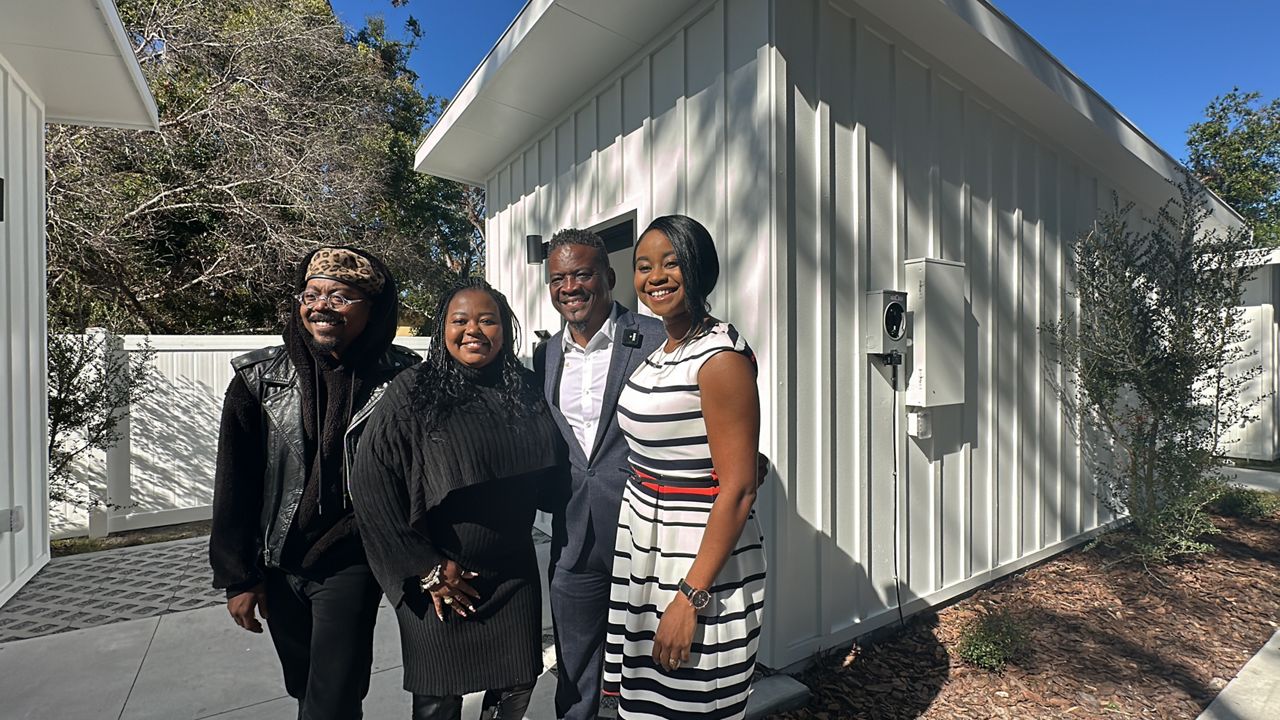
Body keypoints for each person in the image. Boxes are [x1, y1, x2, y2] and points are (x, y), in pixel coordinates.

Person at [209, 246, 420, 720]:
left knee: (334, 697)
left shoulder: (402, 378)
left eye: (341, 296)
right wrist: (237, 576)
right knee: (305, 686)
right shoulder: (258, 379)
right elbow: (235, 483)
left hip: (353, 558)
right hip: (282, 559)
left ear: (373, 308)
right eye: (312, 293)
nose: (321, 305)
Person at [350, 277, 564, 720]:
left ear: (505, 329)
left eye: (488, 320)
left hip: (513, 571)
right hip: (440, 576)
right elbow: (371, 488)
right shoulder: (412, 391)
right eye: (460, 320)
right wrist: (424, 567)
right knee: (438, 696)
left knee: (518, 681)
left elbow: (557, 465)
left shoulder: (525, 389)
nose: (474, 330)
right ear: (442, 328)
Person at [601, 215, 768, 718]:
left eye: (672, 263)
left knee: (690, 701)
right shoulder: (665, 350)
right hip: (647, 551)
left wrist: (689, 598)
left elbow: (738, 489)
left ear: (699, 268)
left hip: (696, 562)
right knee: (649, 704)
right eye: (644, 265)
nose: (656, 276)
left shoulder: (718, 359)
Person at [532, 228, 666, 720]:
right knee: (575, 663)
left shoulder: (656, 337)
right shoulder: (544, 355)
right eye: (558, 278)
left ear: (609, 277)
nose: (570, 287)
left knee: (651, 660)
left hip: (645, 527)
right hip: (571, 534)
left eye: (582, 274)